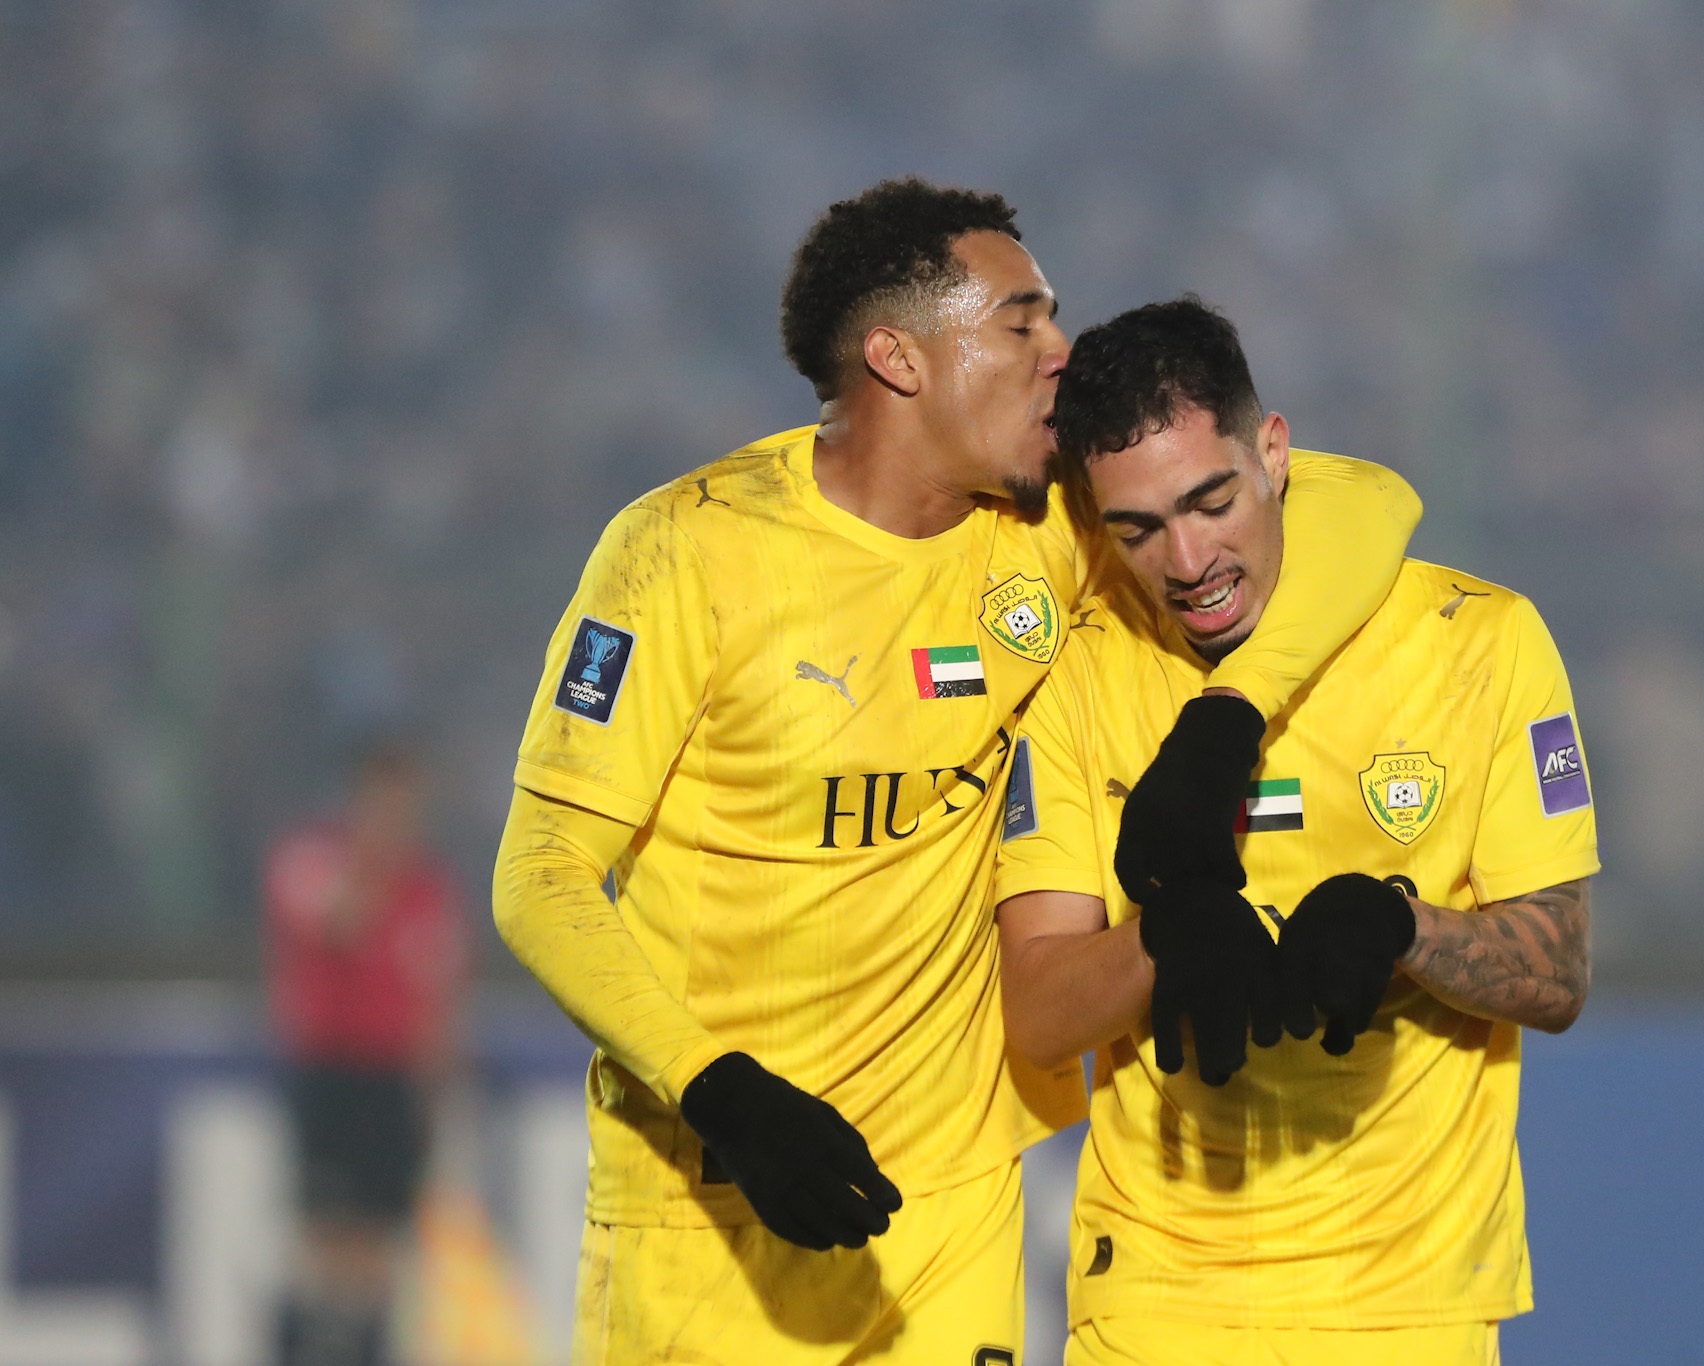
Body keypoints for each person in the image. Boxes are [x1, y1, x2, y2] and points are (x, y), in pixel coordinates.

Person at [490, 180, 1422, 1364]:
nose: (1060, 351)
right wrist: (717, 1087)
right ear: (899, 359)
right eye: (1022, 321)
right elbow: (541, 875)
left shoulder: (1050, 529)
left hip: (952, 1213)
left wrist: (1226, 720)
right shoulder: (685, 552)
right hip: (715, 1194)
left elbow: (1364, 499)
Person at [993, 297, 1599, 1366]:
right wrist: (1163, 944)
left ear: (1273, 453)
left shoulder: (1481, 641)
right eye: (1137, 528)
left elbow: (1557, 975)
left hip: (1412, 1303)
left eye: (1211, 501)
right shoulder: (1078, 675)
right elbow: (1038, 1016)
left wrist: (1401, 931)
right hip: (1156, 1296)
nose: (1188, 559)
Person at [264, 737, 466, 1366]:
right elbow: (339, 922)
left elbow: (438, 1004)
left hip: (391, 1083)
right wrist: (375, 864)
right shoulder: (310, 860)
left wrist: (434, 1099)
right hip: (330, 1074)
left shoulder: (430, 889)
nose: (396, 819)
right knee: (323, 1238)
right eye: (384, 803)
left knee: (380, 1245)